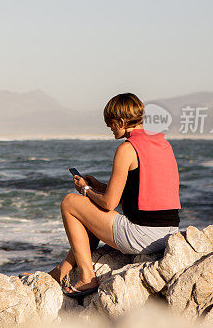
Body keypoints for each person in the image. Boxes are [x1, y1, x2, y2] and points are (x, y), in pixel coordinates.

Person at [50, 93, 181, 298]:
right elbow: (134, 191)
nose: (110, 128)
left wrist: (85, 190)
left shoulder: (126, 149)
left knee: (70, 202)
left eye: (110, 124)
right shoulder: (163, 144)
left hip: (141, 236)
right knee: (88, 211)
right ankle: (61, 272)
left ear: (121, 121)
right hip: (168, 233)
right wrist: (96, 186)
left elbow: (110, 203)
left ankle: (86, 278)